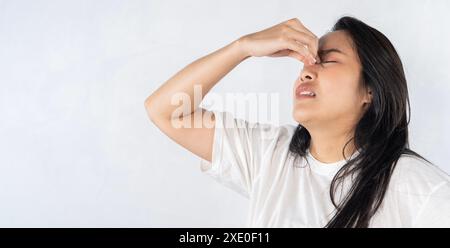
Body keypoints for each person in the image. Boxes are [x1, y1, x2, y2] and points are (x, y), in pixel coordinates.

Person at [144, 16, 450, 227]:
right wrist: (243, 47)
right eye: (307, 61)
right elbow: (166, 111)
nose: (305, 71)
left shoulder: (412, 184)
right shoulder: (269, 154)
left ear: (370, 90)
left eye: (327, 60)